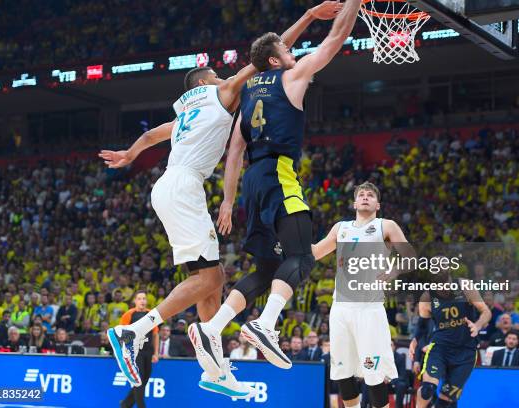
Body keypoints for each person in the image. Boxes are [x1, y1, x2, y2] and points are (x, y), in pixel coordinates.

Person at [102, 2, 341, 396]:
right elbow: (269, 54)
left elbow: (147, 139)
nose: (222, 77)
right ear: (204, 83)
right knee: (210, 278)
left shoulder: (182, 115)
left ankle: (214, 370)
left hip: (168, 186)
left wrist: (128, 155)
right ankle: (135, 330)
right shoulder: (221, 93)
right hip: (184, 187)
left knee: (210, 283)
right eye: (215, 75)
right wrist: (311, 18)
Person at [191, 0, 364, 385]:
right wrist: (355, 3)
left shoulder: (249, 92)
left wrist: (229, 200)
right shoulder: (291, 77)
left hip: (252, 181)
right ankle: (265, 324)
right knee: (302, 258)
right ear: (274, 61)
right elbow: (335, 40)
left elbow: (234, 151)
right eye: (287, 51)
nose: (293, 52)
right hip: (278, 173)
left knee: (267, 268)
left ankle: (212, 327)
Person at [309, 182, 414, 408]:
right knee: (342, 372)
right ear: (355, 203)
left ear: (378, 204)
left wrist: (394, 270)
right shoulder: (341, 228)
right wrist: (290, 242)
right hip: (341, 308)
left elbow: (411, 256)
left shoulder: (386, 226)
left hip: (369, 308)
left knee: (373, 374)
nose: (365, 197)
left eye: (370, 195)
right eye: (361, 195)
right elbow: (316, 252)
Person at [410, 269, 492, 408]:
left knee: (446, 401)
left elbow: (486, 311)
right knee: (427, 390)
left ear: (448, 274)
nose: (442, 290)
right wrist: (415, 340)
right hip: (440, 349)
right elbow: (422, 327)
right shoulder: (427, 297)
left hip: (466, 351)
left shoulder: (465, 286)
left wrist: (477, 325)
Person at [119, 291, 160, 408]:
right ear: (135, 301)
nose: (142, 301)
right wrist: (125, 352)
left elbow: (156, 334)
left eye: (144, 298)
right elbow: (122, 334)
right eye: (139, 298)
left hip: (148, 351)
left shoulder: (151, 314)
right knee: (139, 380)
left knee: (145, 379)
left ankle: (126, 404)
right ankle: (141, 406)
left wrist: (156, 353)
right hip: (135, 352)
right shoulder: (129, 314)